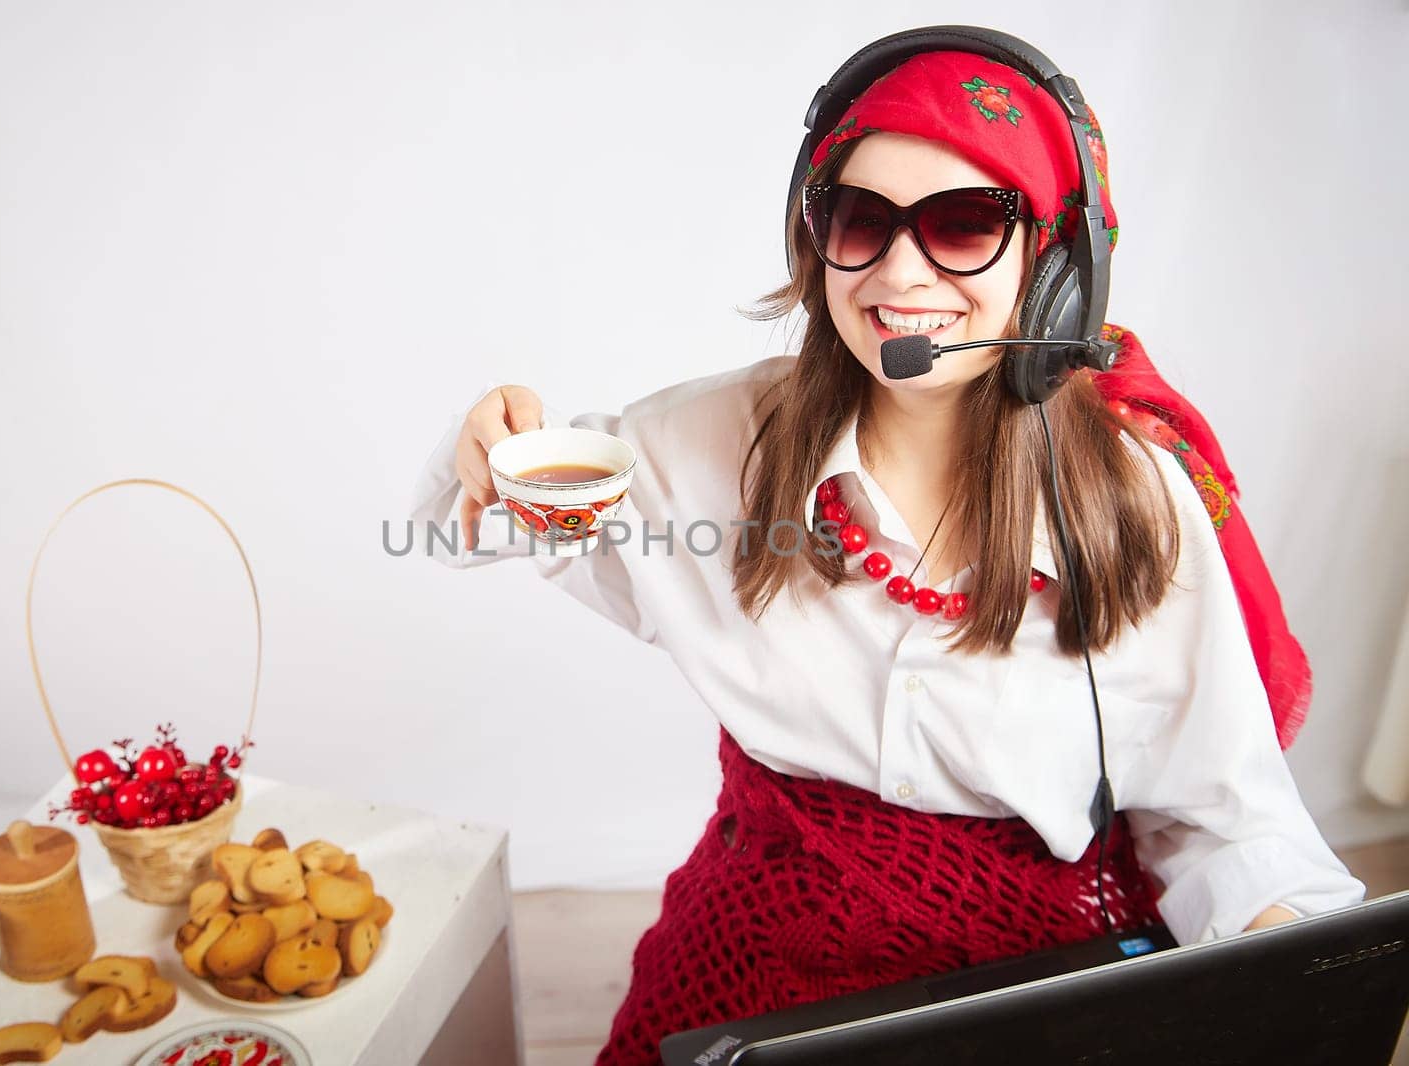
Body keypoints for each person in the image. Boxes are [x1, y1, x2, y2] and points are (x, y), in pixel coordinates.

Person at [408, 32, 1365, 1066]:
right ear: (814, 239)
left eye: (962, 224)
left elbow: (1225, 823)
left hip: (1025, 976)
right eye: (861, 220)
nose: (898, 271)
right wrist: (488, 458)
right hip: (753, 948)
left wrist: (1303, 984)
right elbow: (481, 527)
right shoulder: (707, 442)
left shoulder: (1136, 506)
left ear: (1056, 265)